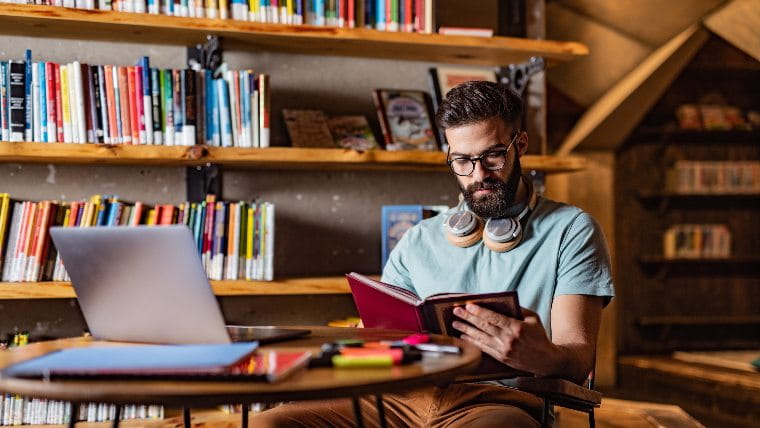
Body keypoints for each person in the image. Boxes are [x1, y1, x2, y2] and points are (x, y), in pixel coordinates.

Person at [253, 81, 614, 427]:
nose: (478, 175)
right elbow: (377, 336)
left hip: (498, 403)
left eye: (492, 157)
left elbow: (577, 359)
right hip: (399, 398)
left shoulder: (571, 229)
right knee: (267, 423)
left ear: (520, 146)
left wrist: (544, 356)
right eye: (462, 161)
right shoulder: (418, 239)